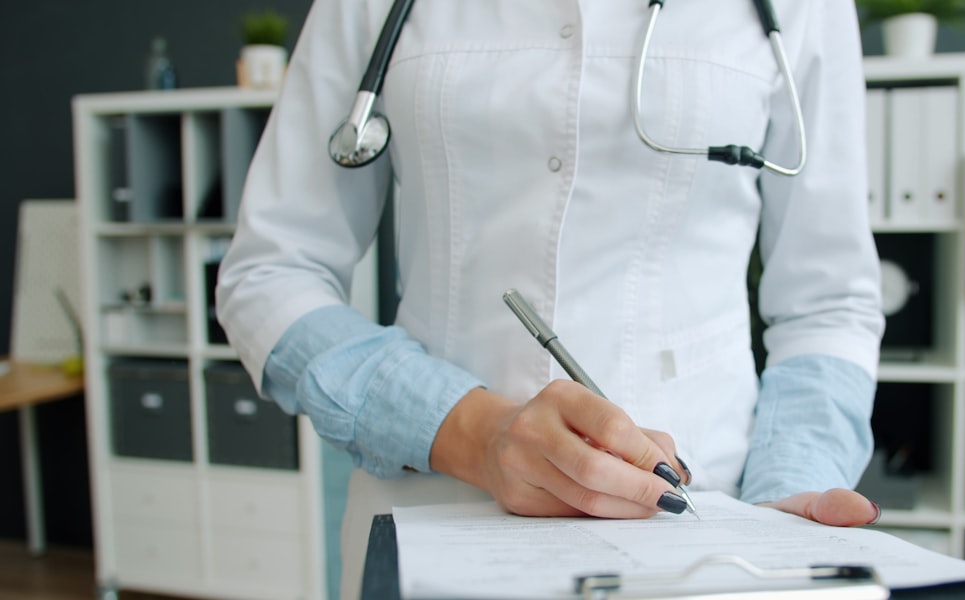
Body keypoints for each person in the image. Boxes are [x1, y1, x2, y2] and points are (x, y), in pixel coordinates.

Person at [216, 0, 884, 597]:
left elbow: (827, 301)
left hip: (711, 536)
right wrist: (472, 433)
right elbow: (271, 271)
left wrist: (789, 493)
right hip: (438, 520)